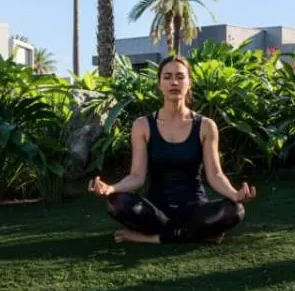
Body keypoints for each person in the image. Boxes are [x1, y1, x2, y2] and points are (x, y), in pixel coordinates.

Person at [88, 54, 257, 244]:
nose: (174, 82)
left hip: (195, 210)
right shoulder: (142, 125)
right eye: (167, 77)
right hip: (156, 212)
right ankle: (195, 235)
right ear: (159, 84)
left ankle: (153, 238)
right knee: (116, 203)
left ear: (189, 83)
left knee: (235, 210)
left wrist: (235, 194)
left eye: (180, 77)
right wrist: (111, 188)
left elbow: (215, 175)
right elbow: (136, 176)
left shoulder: (206, 126)